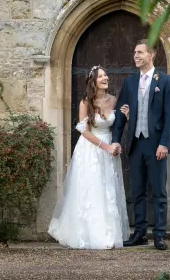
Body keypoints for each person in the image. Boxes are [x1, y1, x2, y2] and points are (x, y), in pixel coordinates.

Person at [48, 65, 130, 249]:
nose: (106, 78)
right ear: (94, 81)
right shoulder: (86, 102)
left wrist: (126, 118)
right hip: (91, 149)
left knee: (107, 188)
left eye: (106, 75)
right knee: (92, 188)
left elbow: (116, 126)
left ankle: (109, 232)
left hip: (109, 148)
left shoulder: (113, 100)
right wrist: (105, 146)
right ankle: (91, 234)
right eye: (101, 76)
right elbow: (83, 130)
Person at [112, 39, 170, 250]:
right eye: (134, 52)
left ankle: (159, 235)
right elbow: (121, 113)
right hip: (136, 144)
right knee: (138, 191)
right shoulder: (130, 82)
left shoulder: (165, 81)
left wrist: (165, 144)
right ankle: (139, 233)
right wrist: (115, 139)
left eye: (140, 52)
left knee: (159, 191)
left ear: (151, 55)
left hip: (156, 144)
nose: (135, 56)